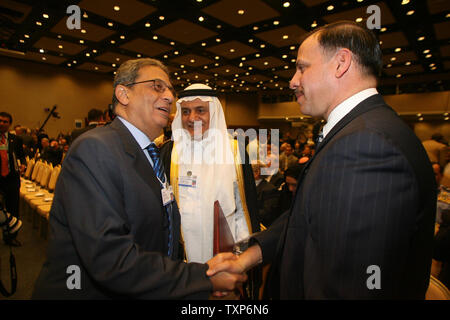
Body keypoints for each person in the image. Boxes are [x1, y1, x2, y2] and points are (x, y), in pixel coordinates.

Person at [208, 21, 437, 299]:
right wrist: (247, 256)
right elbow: (305, 216)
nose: (293, 80)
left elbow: (348, 285)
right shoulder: (358, 131)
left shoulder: (368, 144)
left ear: (341, 63)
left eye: (302, 67)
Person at [32, 58, 246, 299]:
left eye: (170, 90)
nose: (168, 97)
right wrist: (203, 278)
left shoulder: (149, 153)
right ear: (123, 94)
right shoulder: (95, 149)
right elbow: (110, 259)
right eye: (157, 86)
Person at [160, 83, 261, 299]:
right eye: (185, 111)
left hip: (226, 255)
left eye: (200, 110)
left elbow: (244, 209)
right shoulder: (171, 151)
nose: (191, 118)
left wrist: (241, 257)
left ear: (213, 112)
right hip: (184, 257)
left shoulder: (234, 150)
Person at [0, 112, 25, 246]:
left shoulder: (15, 139)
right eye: (0, 121)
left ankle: (11, 237)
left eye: (5, 121)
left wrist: (23, 165)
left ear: (9, 124)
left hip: (11, 179)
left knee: (13, 208)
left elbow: (21, 156)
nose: (2, 123)